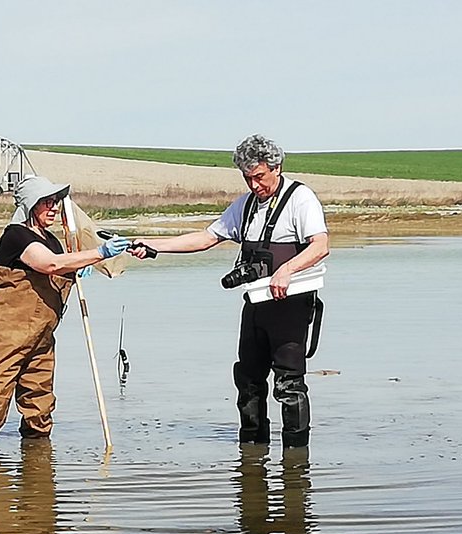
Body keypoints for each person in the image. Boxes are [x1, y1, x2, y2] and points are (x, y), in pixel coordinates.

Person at [131, 135, 329, 448]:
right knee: (248, 381)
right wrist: (153, 246)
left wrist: (287, 270)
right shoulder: (245, 205)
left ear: (276, 167)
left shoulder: (300, 199)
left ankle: (296, 464)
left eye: (259, 177)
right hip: (255, 306)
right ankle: (251, 455)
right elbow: (206, 237)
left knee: (289, 385)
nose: (254, 185)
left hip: (290, 306)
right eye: (247, 178)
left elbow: (321, 246)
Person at [0, 175, 130, 443]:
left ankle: (38, 467)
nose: (53, 207)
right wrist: (99, 253)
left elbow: (59, 266)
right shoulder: (16, 235)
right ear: (31, 205)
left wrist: (77, 266)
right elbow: (48, 265)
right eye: (46, 202)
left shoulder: (51, 240)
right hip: (6, 336)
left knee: (39, 404)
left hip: (41, 336)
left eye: (55, 202)